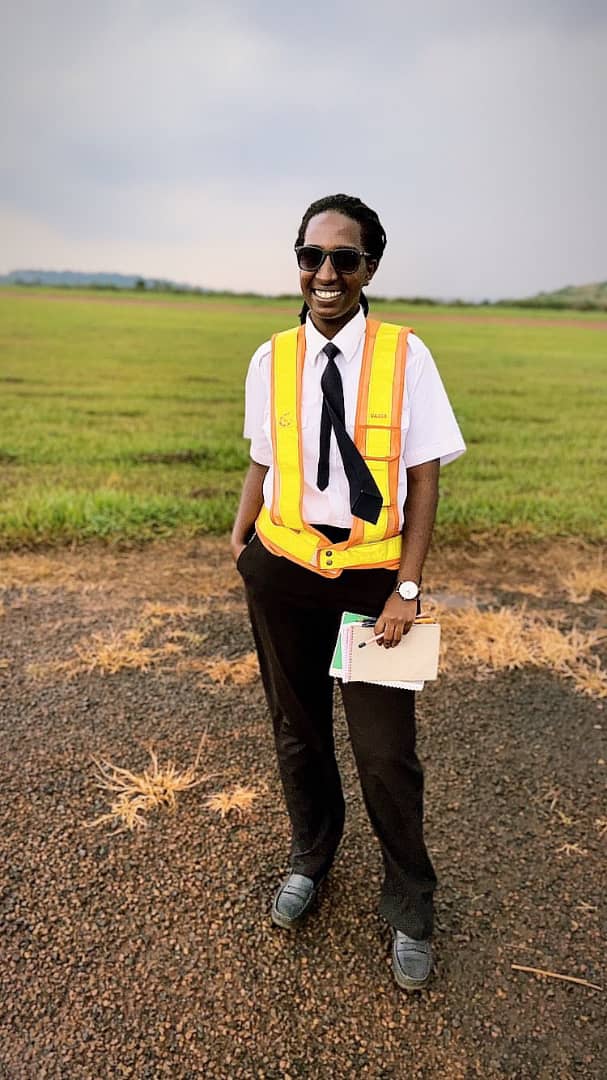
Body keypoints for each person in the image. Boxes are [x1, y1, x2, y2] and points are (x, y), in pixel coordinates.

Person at [230, 194, 466, 990]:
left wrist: (407, 584)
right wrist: (242, 541)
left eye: (344, 258)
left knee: (385, 751)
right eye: (311, 256)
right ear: (297, 261)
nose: (325, 273)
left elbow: (424, 478)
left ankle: (410, 904)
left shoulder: (406, 355)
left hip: (374, 580)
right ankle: (310, 857)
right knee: (296, 730)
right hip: (284, 571)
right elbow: (263, 460)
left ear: (370, 268)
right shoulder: (271, 357)